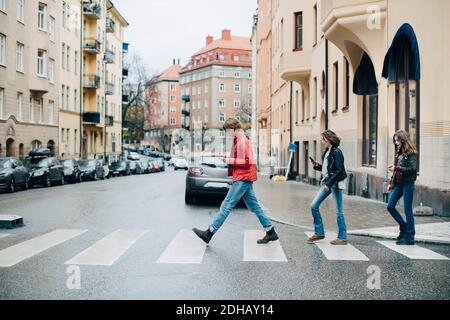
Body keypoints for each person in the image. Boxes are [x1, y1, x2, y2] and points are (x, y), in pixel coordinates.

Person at [192, 118, 279, 244]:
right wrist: (228, 158)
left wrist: (229, 161)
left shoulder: (242, 141)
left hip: (242, 178)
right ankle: (271, 232)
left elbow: (248, 161)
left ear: (233, 129)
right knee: (255, 206)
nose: (227, 134)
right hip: (245, 177)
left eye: (227, 131)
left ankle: (209, 233)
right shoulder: (239, 139)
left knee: (226, 205)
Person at [307, 130, 348, 245]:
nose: (322, 141)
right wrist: (317, 166)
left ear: (329, 140)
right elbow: (328, 169)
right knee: (314, 205)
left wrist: (328, 184)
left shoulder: (337, 152)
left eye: (323, 139)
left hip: (335, 183)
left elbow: (339, 170)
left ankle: (342, 237)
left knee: (339, 211)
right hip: (328, 182)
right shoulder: (327, 152)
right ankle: (319, 232)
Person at [386, 130, 418, 245]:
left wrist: (397, 168)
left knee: (407, 211)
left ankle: (410, 237)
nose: (396, 142)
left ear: (403, 140)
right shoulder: (398, 153)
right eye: (395, 140)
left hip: (408, 184)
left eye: (397, 140)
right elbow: (395, 171)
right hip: (398, 184)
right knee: (390, 206)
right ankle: (404, 227)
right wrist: (391, 183)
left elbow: (413, 169)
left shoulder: (411, 153)